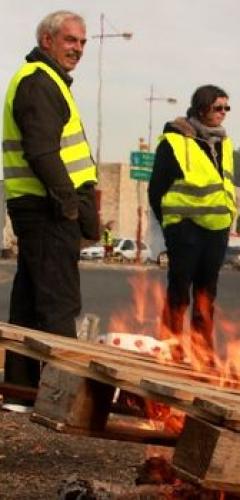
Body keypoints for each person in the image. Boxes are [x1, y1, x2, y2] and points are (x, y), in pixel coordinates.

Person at [1, 11, 99, 413]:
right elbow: (41, 151)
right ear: (47, 40)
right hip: (46, 208)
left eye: (82, 42)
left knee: (29, 300)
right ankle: (62, 400)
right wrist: (71, 206)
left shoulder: (46, 81)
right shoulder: (39, 82)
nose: (77, 48)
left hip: (40, 206)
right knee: (59, 303)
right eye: (70, 40)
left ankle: (20, 394)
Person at [148, 85, 236, 355]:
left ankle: (202, 352)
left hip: (217, 229)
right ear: (201, 109)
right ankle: (172, 348)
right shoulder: (175, 140)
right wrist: (169, 224)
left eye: (226, 108)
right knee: (179, 292)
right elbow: (156, 188)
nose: (223, 113)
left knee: (206, 295)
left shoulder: (224, 143)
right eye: (217, 107)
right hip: (185, 227)